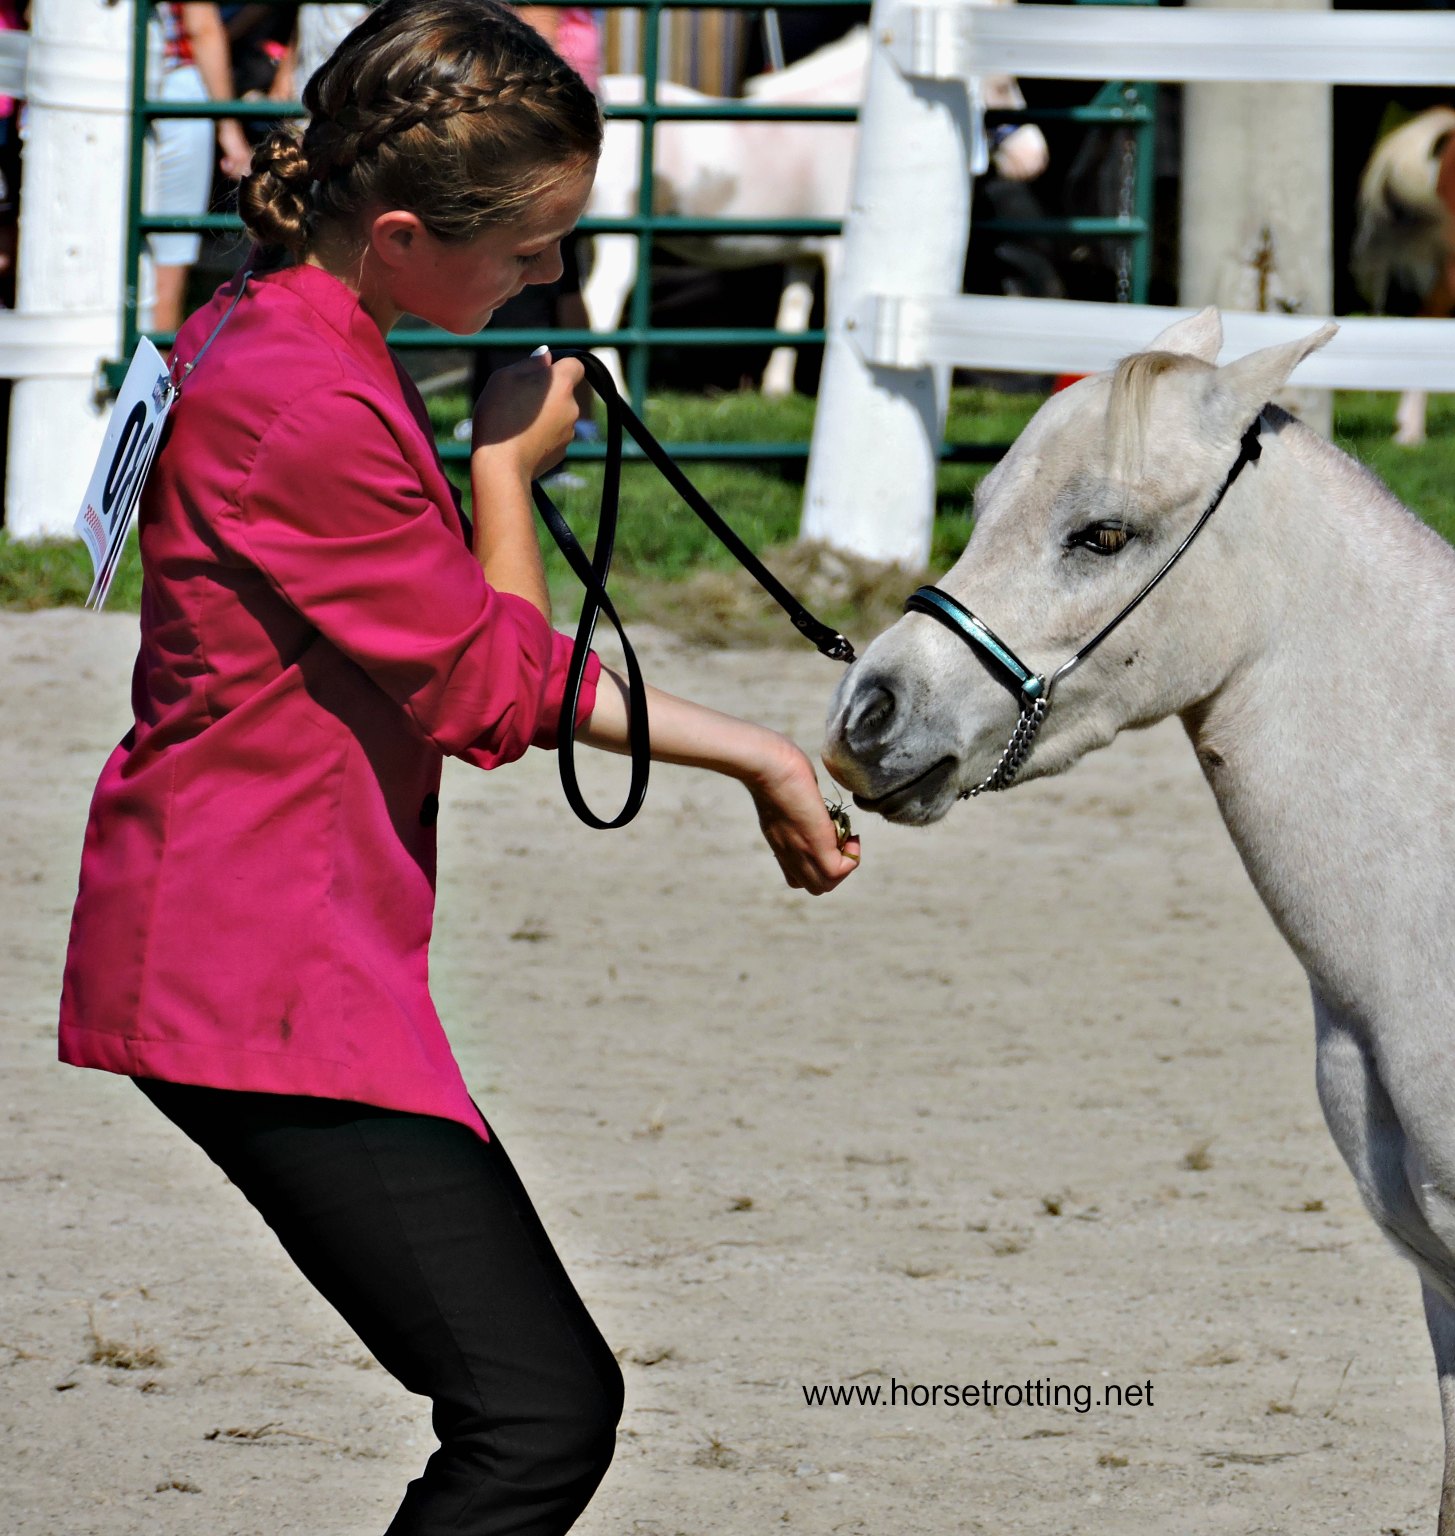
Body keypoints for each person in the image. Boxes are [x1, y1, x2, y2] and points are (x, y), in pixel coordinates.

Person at [58, 3, 859, 1532]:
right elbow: (491, 689)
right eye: (531, 248)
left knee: (531, 1403)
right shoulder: (301, 395)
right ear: (406, 234)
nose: (550, 276)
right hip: (254, 970)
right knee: (537, 1414)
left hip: (275, 946)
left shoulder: (274, 323)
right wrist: (506, 474)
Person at [148, 5, 254, 336]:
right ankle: (154, 380)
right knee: (169, 249)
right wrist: (231, 133)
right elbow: (201, 25)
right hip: (172, 89)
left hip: (93, 90)